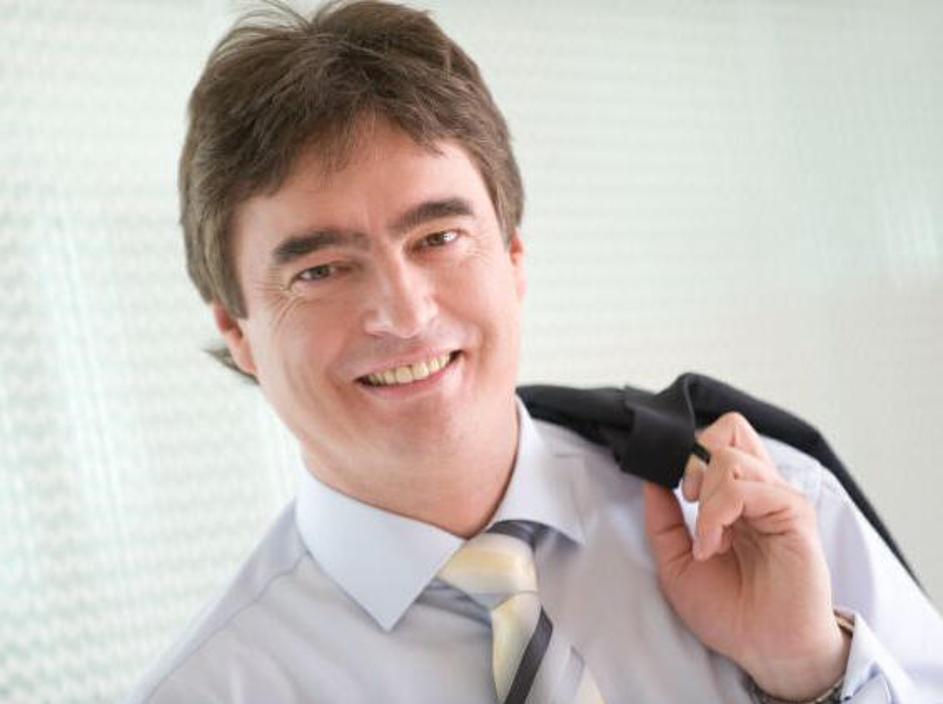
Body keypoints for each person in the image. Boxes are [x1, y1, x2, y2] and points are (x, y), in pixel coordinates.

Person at [128, 1, 943, 702]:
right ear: (237, 332)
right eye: (320, 271)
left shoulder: (768, 521)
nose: (404, 313)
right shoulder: (214, 688)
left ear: (513, 257)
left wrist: (808, 671)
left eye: (439, 237)